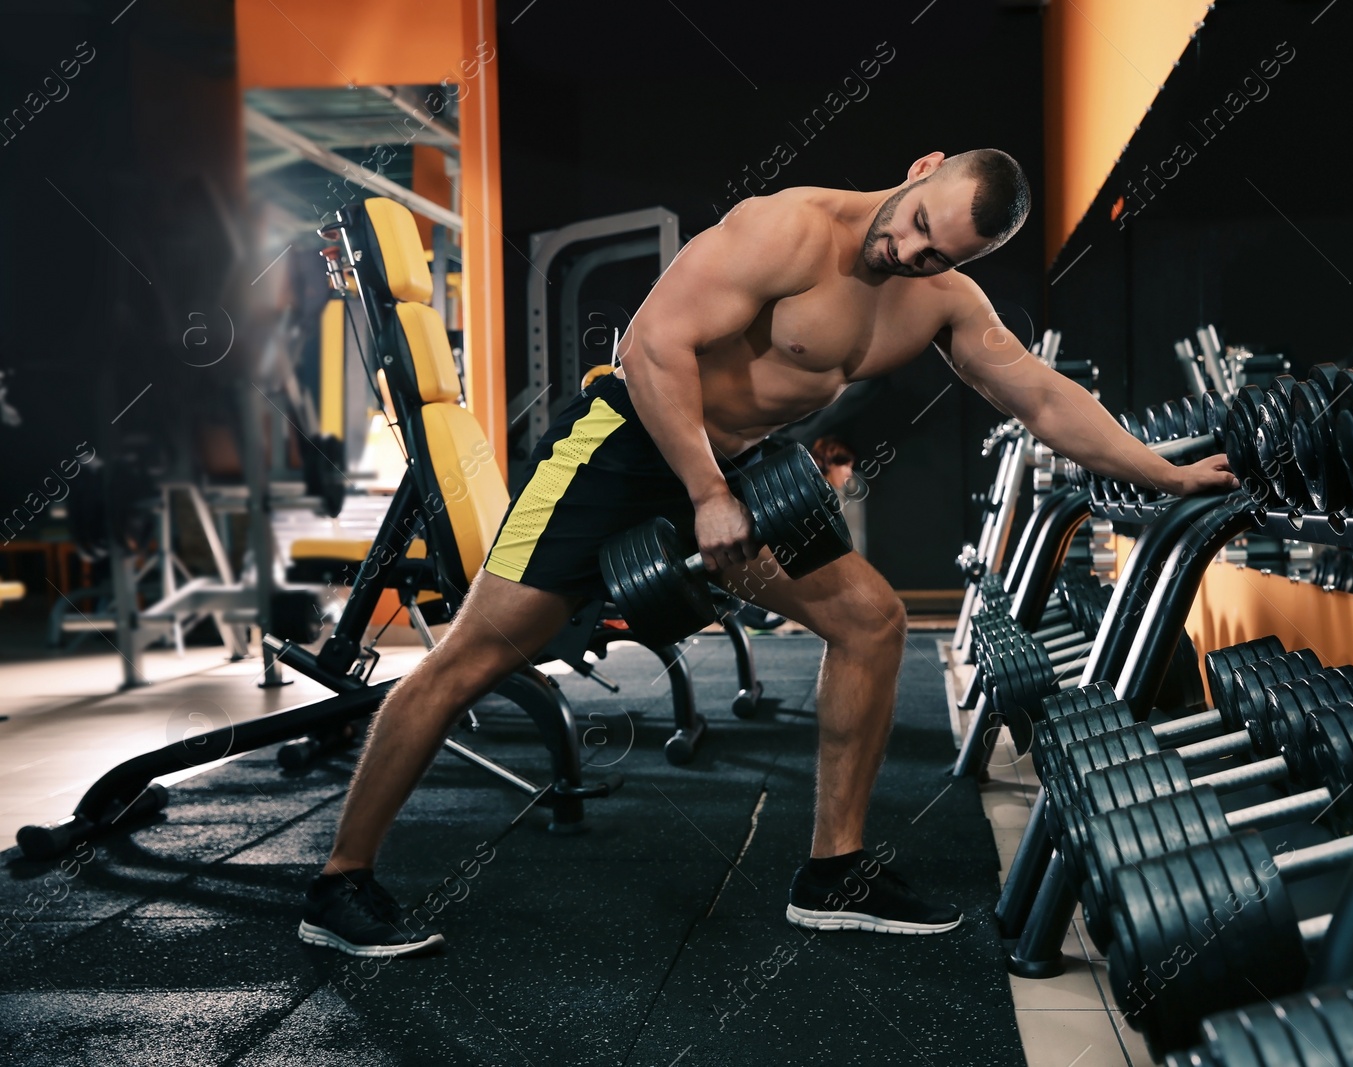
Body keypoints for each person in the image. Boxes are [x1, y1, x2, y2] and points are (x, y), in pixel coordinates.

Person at [298, 149, 1236, 958]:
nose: (907, 250)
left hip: (744, 470)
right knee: (475, 656)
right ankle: (341, 887)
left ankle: (833, 871)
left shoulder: (943, 302)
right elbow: (651, 344)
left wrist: (1163, 472)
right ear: (920, 170)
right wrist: (705, 493)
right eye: (915, 224)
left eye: (937, 251)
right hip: (626, 448)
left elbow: (1041, 397)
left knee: (871, 620)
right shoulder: (785, 230)